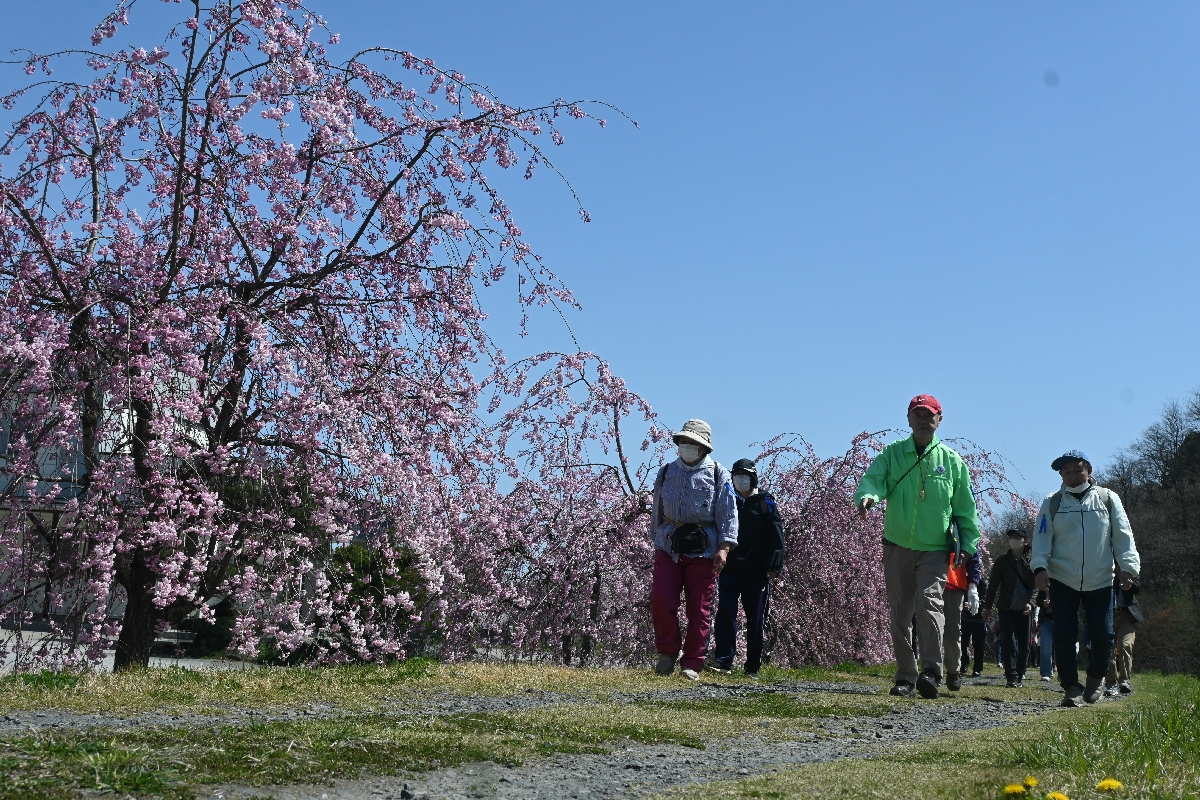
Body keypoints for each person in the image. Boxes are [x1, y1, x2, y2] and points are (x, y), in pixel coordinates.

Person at [854, 394, 982, 699]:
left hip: (935, 548)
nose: (923, 421)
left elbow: (965, 508)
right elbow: (874, 479)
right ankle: (905, 676)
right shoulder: (892, 453)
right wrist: (867, 497)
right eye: (918, 415)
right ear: (909, 419)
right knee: (900, 614)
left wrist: (968, 544)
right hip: (896, 544)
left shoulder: (952, 461)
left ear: (940, 420)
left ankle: (931, 672)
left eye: (929, 416)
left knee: (929, 605)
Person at [1031, 450, 1141, 707]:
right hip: (1063, 578)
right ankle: (1071, 687)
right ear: (1061, 475)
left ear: (1088, 471)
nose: (1072, 476)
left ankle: (1096, 678)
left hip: (1100, 578)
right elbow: (1042, 537)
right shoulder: (1052, 503)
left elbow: (1123, 535)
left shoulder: (1107, 498)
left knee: (1104, 634)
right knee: (1064, 635)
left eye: (1077, 470)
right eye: (1066, 472)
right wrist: (1039, 568)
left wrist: (1128, 568)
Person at [650, 419, 739, 681]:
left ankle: (692, 661)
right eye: (683, 442)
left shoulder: (717, 474)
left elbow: (728, 513)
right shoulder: (666, 472)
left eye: (692, 442)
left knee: (698, 609)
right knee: (660, 600)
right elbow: (657, 508)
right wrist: (656, 537)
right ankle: (668, 652)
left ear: (703, 447)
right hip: (669, 544)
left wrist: (724, 548)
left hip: (704, 549)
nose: (686, 446)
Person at [710, 458, 785, 678]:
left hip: (757, 571)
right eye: (736, 475)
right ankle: (723, 660)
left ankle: (752, 666)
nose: (740, 479)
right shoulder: (727, 499)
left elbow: (776, 536)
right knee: (725, 614)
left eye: (744, 475)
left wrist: (774, 565)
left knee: (755, 619)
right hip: (730, 568)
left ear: (753, 478)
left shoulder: (765, 502)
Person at [984, 528, 1036, 687]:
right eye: (1011, 537)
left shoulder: (1032, 561)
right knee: (1009, 642)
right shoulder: (1002, 561)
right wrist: (987, 607)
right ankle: (1011, 675)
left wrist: (1031, 603)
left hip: (1025, 608)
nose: (1014, 539)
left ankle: (1020, 673)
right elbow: (993, 585)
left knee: (1025, 644)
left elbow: (1035, 586)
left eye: (1017, 537)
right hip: (1006, 608)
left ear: (1026, 541)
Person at [942, 550, 981, 691]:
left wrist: (973, 585)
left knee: (951, 632)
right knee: (929, 628)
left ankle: (953, 670)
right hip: (928, 580)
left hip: (953, 583)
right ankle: (931, 671)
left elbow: (972, 550)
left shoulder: (961, 533)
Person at [1105, 573, 1142, 696]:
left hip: (1127, 615)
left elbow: (1137, 589)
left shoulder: (1130, 570)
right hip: (1108, 615)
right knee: (1108, 648)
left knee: (1125, 645)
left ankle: (1124, 681)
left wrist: (1130, 583)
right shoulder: (1105, 570)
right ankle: (1111, 683)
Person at [959, 575, 989, 677]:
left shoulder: (983, 583)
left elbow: (985, 600)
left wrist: (974, 604)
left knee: (978, 644)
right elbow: (960, 595)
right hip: (965, 618)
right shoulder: (964, 581)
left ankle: (977, 668)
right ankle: (964, 663)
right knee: (963, 642)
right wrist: (964, 603)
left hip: (979, 619)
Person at [1033, 586, 1055, 682]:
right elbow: (1037, 600)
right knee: (1045, 645)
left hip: (1061, 619)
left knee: (1061, 647)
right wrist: (1043, 602)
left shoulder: (1064, 581)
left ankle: (1063, 672)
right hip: (1046, 619)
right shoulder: (1044, 584)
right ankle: (1046, 672)